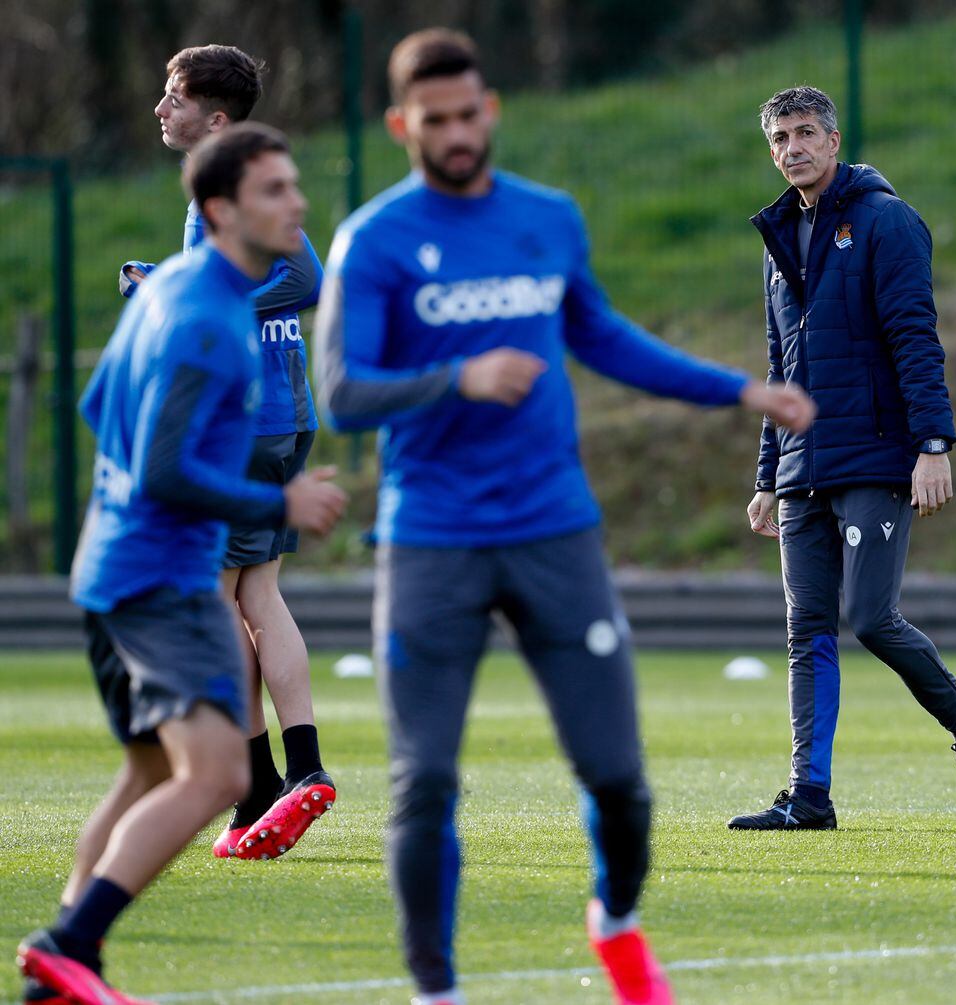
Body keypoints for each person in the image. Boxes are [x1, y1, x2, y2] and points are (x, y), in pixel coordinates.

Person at [313, 29, 814, 1005]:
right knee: (424, 785)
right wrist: (458, 375)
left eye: (469, 115)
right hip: (433, 541)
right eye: (436, 121)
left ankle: (616, 923)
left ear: (490, 111)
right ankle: (436, 991)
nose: (456, 134)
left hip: (554, 531)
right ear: (401, 125)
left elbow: (604, 336)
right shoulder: (373, 239)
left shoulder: (547, 218)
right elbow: (339, 393)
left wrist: (738, 391)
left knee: (620, 780)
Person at [17, 124, 347, 1005]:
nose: (297, 205)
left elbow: (100, 409)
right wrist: (279, 502)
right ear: (219, 209)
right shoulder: (209, 318)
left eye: (293, 185)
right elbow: (166, 468)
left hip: (115, 562)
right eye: (276, 191)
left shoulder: (167, 295)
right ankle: (68, 942)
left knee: (152, 773)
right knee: (219, 774)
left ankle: (62, 965)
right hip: (157, 576)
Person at [730, 85, 956, 831]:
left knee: (871, 616)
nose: (794, 148)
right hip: (801, 469)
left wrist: (933, 443)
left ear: (834, 137)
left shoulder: (886, 221)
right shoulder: (779, 235)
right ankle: (808, 796)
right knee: (806, 627)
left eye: (807, 132)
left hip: (878, 457)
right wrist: (767, 476)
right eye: (781, 137)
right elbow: (779, 366)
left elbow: (915, 337)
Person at [122, 43, 333, 860]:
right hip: (280, 418)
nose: (159, 109)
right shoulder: (242, 175)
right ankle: (285, 778)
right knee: (257, 599)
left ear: (213, 116)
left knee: (215, 604)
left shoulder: (224, 170)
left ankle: (266, 784)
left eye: (173, 97)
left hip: (240, 426)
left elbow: (303, 279)